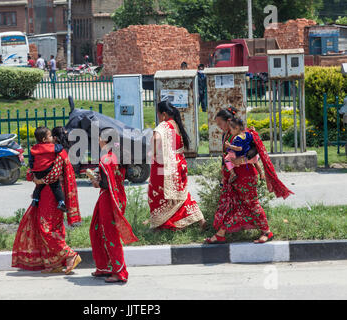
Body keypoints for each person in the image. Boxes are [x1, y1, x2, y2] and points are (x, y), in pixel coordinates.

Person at [205, 106, 293, 245]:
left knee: (252, 204)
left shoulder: (243, 134)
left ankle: (266, 232)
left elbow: (254, 151)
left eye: (220, 123)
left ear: (228, 121)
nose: (219, 127)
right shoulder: (226, 135)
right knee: (232, 205)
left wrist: (243, 160)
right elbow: (225, 156)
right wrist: (225, 172)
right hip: (233, 177)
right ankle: (220, 234)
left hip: (246, 175)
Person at [12, 127, 82, 274]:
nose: (52, 139)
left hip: (53, 194)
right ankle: (55, 263)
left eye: (52, 136)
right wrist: (36, 180)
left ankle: (70, 254)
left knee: (46, 228)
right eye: (50, 136)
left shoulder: (59, 153)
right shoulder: (48, 151)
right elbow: (30, 173)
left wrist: (39, 180)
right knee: (53, 228)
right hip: (45, 193)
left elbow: (54, 175)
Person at [147, 101, 207, 231]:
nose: (158, 118)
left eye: (158, 114)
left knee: (157, 194)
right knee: (180, 194)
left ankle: (160, 224)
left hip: (164, 167)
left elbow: (156, 139)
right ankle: (199, 218)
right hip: (179, 165)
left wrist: (153, 151)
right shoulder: (177, 125)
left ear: (163, 114)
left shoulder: (164, 126)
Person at [88, 134, 138, 283]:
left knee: (110, 234)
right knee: (98, 230)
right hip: (118, 197)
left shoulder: (106, 159)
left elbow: (105, 184)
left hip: (108, 199)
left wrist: (96, 182)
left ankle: (119, 272)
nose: (98, 141)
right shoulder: (118, 156)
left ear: (104, 141)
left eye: (99, 138)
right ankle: (104, 267)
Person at [28, 127, 66, 212]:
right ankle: (61, 202)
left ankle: (35, 200)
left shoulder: (34, 148)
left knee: (39, 187)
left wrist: (33, 170)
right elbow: (60, 148)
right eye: (51, 136)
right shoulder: (51, 147)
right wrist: (59, 143)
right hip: (48, 170)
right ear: (44, 139)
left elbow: (31, 160)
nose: (52, 137)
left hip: (38, 171)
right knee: (56, 187)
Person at [224, 117, 264, 184]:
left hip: (241, 156)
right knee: (256, 162)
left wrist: (230, 146)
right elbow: (254, 138)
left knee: (226, 159)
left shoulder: (237, 138)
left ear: (236, 128)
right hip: (250, 155)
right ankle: (261, 173)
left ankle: (233, 174)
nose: (230, 132)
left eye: (231, 130)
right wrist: (253, 131)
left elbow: (239, 148)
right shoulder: (247, 134)